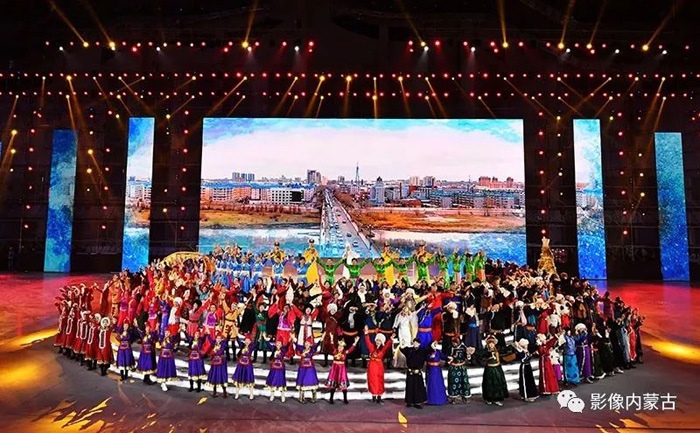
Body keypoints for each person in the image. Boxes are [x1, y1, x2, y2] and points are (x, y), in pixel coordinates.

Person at [325, 336, 358, 404]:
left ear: (343, 347)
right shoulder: (335, 351)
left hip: (341, 370)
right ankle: (331, 398)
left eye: (341, 347)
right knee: (333, 384)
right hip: (335, 369)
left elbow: (351, 349)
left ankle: (345, 398)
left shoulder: (345, 352)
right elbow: (331, 345)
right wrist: (331, 338)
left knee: (343, 384)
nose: (340, 348)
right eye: (339, 346)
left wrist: (355, 342)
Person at [400, 338, 432, 409]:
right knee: (410, 387)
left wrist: (433, 345)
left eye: (417, 343)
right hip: (410, 372)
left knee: (418, 388)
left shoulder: (422, 351)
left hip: (417, 373)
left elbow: (429, 350)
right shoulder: (409, 350)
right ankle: (409, 402)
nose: (415, 344)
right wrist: (402, 344)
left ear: (419, 344)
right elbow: (402, 349)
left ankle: (418, 402)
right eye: (414, 342)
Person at [364, 327, 393, 404]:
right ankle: (374, 396)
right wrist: (366, 333)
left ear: (382, 342)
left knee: (380, 380)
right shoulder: (372, 347)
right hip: (372, 366)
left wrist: (391, 339)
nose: (378, 342)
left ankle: (379, 397)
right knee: (372, 380)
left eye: (379, 341)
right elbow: (367, 342)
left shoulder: (382, 350)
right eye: (377, 340)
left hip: (379, 366)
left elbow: (387, 345)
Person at [482, 335, 508, 406]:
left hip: (496, 368)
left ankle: (497, 399)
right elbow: (481, 357)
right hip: (489, 369)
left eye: (492, 343)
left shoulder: (497, 351)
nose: (491, 345)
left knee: (497, 383)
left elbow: (502, 355)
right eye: (490, 343)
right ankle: (489, 398)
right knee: (489, 384)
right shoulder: (486, 352)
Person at [447, 337, 472, 404]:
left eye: (456, 343)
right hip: (453, 368)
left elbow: (467, 358)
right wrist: (450, 359)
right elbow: (447, 357)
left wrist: (468, 354)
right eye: (453, 343)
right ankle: (453, 398)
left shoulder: (463, 348)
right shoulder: (450, 348)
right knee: (453, 382)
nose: (454, 344)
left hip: (461, 367)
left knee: (464, 382)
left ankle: (464, 397)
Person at [295, 338, 320, 403]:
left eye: (308, 343)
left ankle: (314, 397)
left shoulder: (312, 349)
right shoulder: (302, 349)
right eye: (305, 343)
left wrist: (322, 338)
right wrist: (293, 339)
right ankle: (301, 397)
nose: (306, 344)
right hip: (302, 368)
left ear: (310, 344)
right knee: (302, 382)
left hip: (310, 368)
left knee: (312, 381)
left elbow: (317, 344)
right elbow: (296, 344)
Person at [232, 334, 256, 400]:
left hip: (248, 365)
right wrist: (236, 334)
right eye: (246, 340)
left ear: (250, 341)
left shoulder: (251, 347)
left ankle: (251, 394)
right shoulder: (242, 345)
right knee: (239, 378)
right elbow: (238, 340)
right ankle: (237, 393)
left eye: (248, 340)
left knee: (249, 378)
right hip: (241, 365)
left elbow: (256, 343)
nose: (247, 341)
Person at [426, 341, 448, 406]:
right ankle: (431, 400)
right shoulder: (428, 352)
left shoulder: (438, 352)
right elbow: (425, 358)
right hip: (431, 370)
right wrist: (430, 357)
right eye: (434, 344)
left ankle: (440, 399)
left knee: (439, 384)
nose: (435, 345)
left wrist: (449, 357)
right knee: (432, 384)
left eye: (436, 344)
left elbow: (444, 356)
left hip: (437, 370)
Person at [207, 333, 229, 398]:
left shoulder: (223, 344)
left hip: (221, 363)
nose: (218, 339)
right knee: (214, 375)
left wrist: (215, 351)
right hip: (215, 363)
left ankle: (224, 392)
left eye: (220, 338)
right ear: (216, 339)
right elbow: (210, 339)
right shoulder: (214, 343)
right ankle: (214, 391)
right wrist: (208, 333)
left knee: (222, 376)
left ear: (221, 339)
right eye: (217, 338)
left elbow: (221, 351)